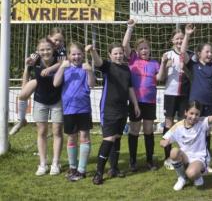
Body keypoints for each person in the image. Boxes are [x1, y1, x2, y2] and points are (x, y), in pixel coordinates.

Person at [87, 43, 141, 185]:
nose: (118, 55)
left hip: (123, 108)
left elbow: (130, 88)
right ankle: (99, 173)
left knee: (117, 138)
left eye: (120, 53)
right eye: (115, 53)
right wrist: (93, 51)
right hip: (109, 109)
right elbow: (98, 62)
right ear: (110, 55)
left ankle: (114, 168)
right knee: (108, 139)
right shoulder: (108, 66)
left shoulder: (126, 69)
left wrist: (135, 104)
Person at [160, 98, 212, 191]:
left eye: (197, 114)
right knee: (174, 152)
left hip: (199, 158)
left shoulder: (202, 122)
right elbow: (164, 139)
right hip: (185, 157)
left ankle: (197, 175)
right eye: (191, 113)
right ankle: (182, 178)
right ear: (186, 112)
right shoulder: (178, 126)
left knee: (191, 173)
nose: (194, 117)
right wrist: (164, 142)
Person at [122, 19, 168, 172]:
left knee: (148, 130)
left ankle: (149, 160)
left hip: (150, 102)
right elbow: (124, 45)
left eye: (146, 48)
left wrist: (162, 63)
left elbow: (161, 77)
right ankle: (133, 161)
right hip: (136, 101)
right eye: (141, 48)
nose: (144, 51)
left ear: (149, 49)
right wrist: (130, 28)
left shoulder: (154, 63)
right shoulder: (133, 59)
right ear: (137, 51)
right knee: (134, 130)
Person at [19, 37, 64, 176]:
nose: (45, 52)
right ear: (38, 50)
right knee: (42, 132)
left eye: (48, 49)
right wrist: (27, 66)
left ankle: (55, 163)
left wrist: (50, 68)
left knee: (57, 131)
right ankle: (43, 163)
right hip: (40, 100)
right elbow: (24, 84)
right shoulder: (35, 59)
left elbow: (64, 63)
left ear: (53, 49)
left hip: (57, 100)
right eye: (42, 50)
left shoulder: (60, 56)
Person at [11, 27, 66, 136]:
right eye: (56, 40)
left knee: (57, 114)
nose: (58, 43)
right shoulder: (40, 51)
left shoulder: (62, 51)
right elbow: (28, 69)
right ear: (49, 38)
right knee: (22, 95)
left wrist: (49, 69)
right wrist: (27, 67)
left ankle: (62, 126)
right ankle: (21, 120)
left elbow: (61, 63)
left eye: (61, 40)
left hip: (57, 82)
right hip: (41, 81)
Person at [53, 43, 96, 181]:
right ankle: (73, 167)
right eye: (73, 54)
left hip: (84, 109)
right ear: (69, 56)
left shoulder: (86, 67)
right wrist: (61, 67)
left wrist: (89, 71)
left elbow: (92, 84)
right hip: (69, 109)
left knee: (84, 137)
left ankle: (82, 170)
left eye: (79, 54)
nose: (76, 56)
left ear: (83, 55)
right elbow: (56, 83)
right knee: (71, 138)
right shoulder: (65, 68)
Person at [181, 24, 212, 117]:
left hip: (209, 103)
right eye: (207, 52)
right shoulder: (193, 65)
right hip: (194, 103)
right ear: (199, 53)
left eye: (211, 52)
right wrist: (187, 35)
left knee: (206, 129)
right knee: (193, 127)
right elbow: (182, 52)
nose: (210, 54)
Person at [162, 29, 191, 170]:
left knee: (182, 124)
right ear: (172, 41)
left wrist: (185, 68)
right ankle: (167, 156)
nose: (179, 41)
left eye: (182, 38)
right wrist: (163, 65)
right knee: (169, 123)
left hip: (185, 94)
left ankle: (182, 154)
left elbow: (192, 76)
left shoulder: (188, 55)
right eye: (177, 39)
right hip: (170, 93)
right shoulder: (167, 55)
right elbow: (160, 78)